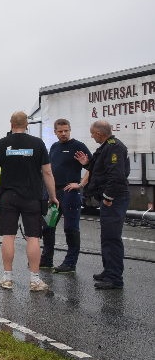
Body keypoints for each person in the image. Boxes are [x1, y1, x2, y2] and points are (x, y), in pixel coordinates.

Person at [0, 111, 58, 291]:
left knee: (8, 236)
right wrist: (53, 196)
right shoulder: (37, 144)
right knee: (33, 238)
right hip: (32, 197)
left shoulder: (1, 144)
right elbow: (47, 173)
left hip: (8, 197)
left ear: (11, 124)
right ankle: (34, 280)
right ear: (27, 125)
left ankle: (7, 278)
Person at [74, 120, 130, 290]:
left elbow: (117, 175)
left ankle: (115, 278)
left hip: (115, 199)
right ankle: (109, 270)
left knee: (112, 238)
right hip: (110, 199)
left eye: (92, 133)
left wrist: (108, 196)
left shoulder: (114, 147)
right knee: (106, 237)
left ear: (99, 133)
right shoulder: (106, 147)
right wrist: (86, 164)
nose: (91, 136)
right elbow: (100, 169)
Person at [39, 119, 92, 273]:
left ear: (70, 130)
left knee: (70, 228)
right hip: (53, 194)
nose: (63, 134)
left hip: (70, 193)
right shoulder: (54, 147)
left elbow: (93, 167)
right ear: (55, 132)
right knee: (48, 227)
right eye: (60, 131)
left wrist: (81, 184)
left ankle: (70, 263)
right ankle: (47, 260)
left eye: (66, 131)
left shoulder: (78, 146)